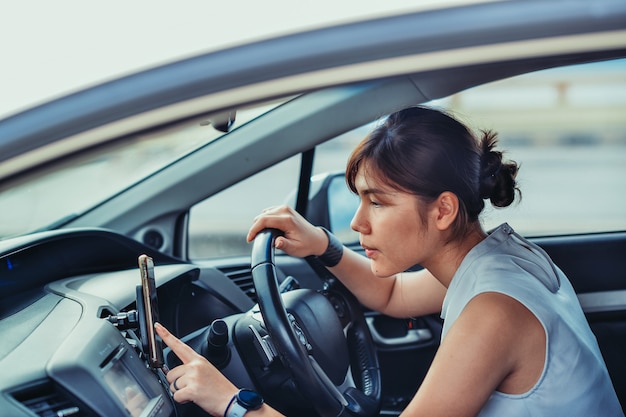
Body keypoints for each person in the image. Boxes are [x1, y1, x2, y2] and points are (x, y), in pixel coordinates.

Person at [156, 106, 623, 417]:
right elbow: (393, 294)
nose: (357, 223)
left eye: (377, 203)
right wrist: (323, 245)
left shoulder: (494, 313)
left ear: (442, 210)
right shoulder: (495, 259)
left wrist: (234, 402)